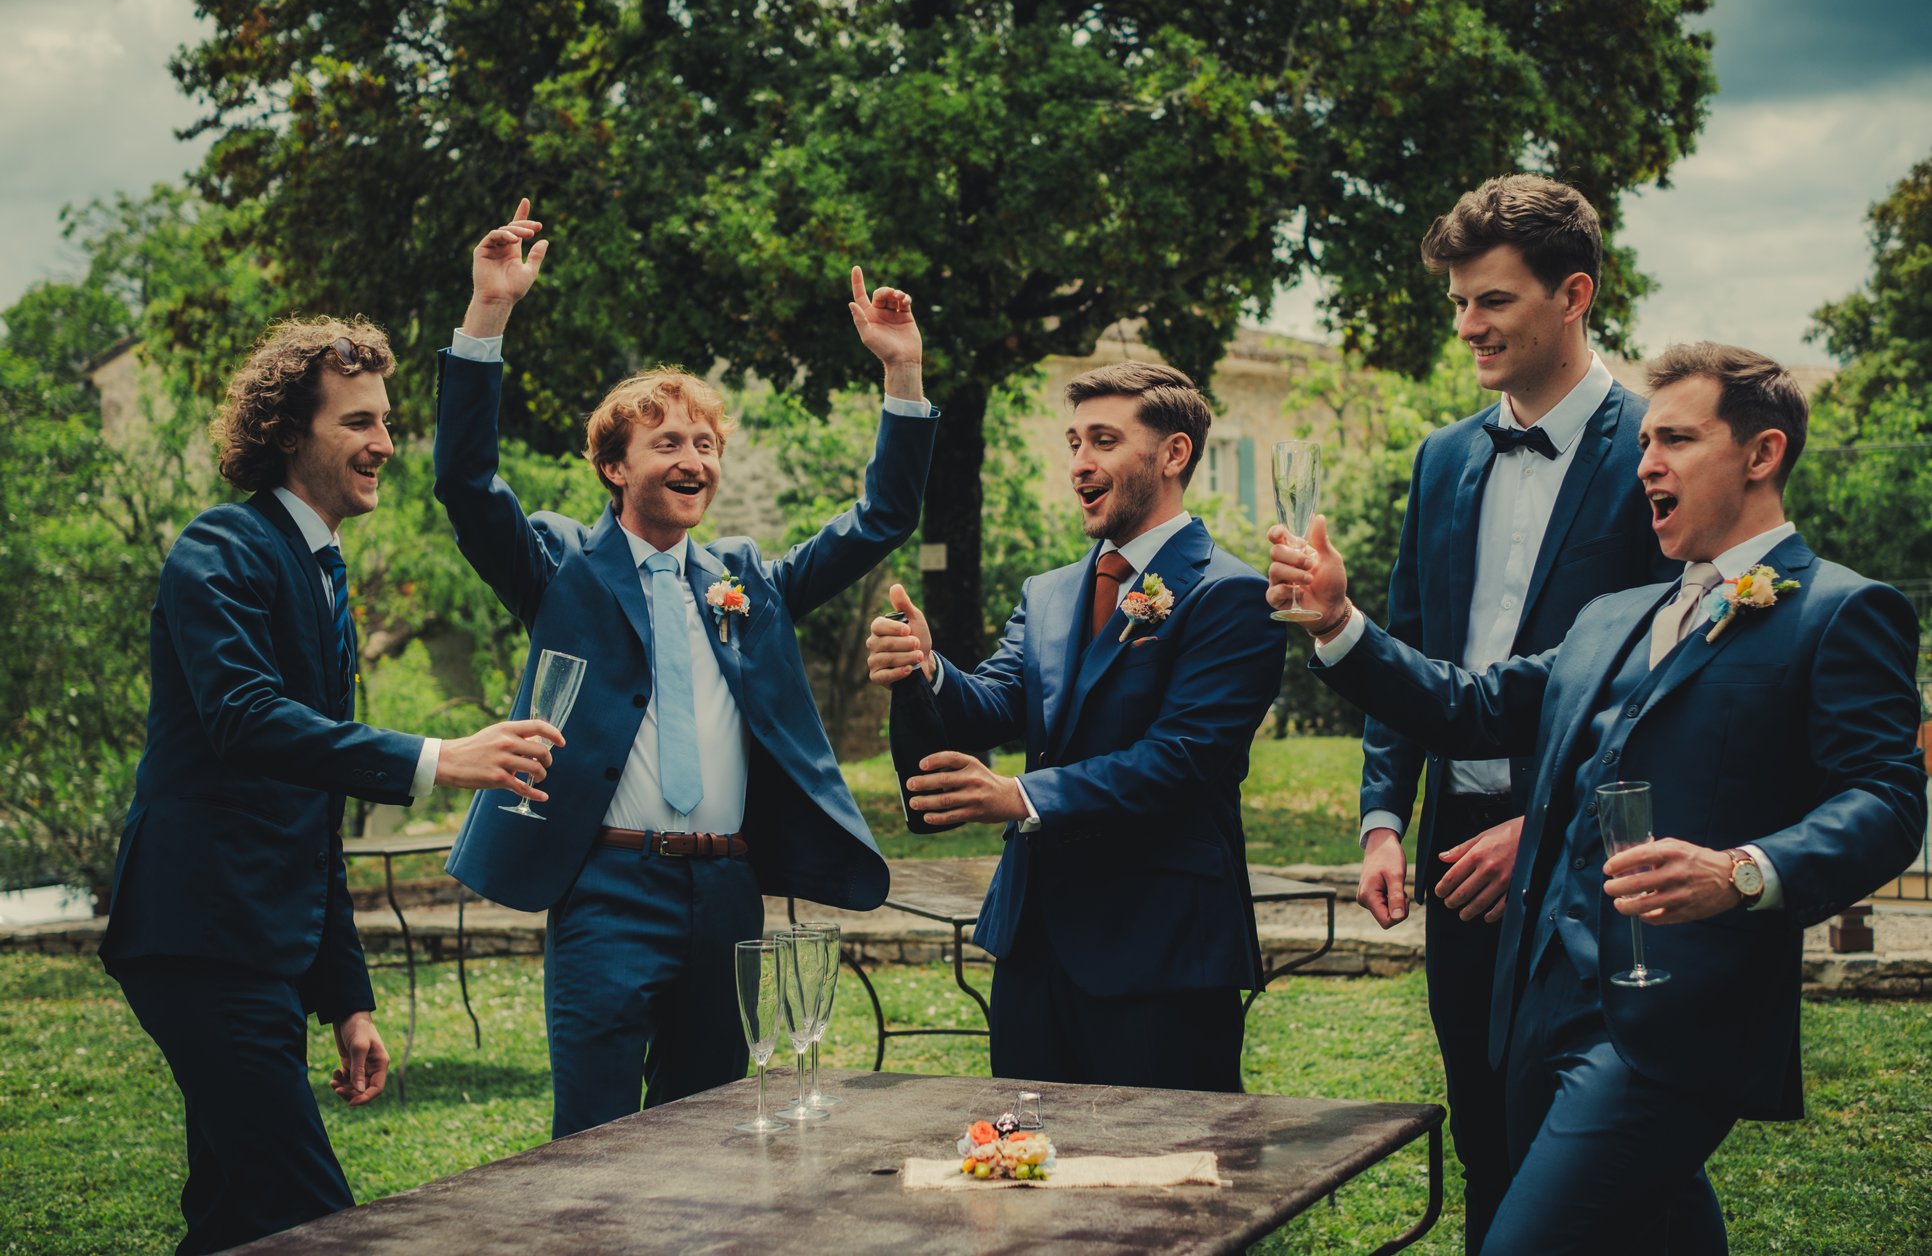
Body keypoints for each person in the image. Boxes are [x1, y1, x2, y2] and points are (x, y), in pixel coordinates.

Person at [1269, 342, 1926, 1253]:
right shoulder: (1611, 618)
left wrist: (1744, 871)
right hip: (1538, 1007)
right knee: (1659, 1230)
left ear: (1763, 453)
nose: (1647, 462)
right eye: (1646, 441)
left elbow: (1888, 801)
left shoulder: (1841, 612)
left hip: (1673, 1020)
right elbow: (1469, 708)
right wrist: (1341, 624)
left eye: (1677, 440)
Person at [435, 200, 937, 1136]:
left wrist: (901, 373)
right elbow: (466, 484)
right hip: (606, 890)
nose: (693, 459)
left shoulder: (748, 580)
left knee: (707, 1137)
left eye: (705, 445)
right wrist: (488, 311)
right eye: (668, 443)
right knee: (592, 1141)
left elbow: (881, 520)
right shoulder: (560, 567)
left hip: (728, 894)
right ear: (615, 468)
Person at [99, 319, 563, 1255]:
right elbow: (245, 719)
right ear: (286, 432)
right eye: (358, 422)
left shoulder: (323, 573)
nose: (384, 443)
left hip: (262, 951)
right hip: (198, 941)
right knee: (313, 1218)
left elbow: (312, 816)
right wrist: (438, 758)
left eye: (386, 421)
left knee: (233, 1218)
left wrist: (346, 996)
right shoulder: (220, 547)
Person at [1358, 173, 1674, 1249]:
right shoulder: (1443, 455)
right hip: (1457, 853)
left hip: (1593, 858)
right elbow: (1409, 649)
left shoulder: (1659, 450)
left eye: (1491, 299)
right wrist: (1384, 817)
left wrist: (1546, 827)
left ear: (1574, 293)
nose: (1467, 326)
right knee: (1486, 1130)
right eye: (1459, 301)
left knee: (1599, 1149)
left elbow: (1665, 687)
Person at [866, 360, 1287, 1092]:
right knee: (1031, 1150)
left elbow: (1179, 759)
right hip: (1032, 944)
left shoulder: (1232, 594)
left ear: (1173, 454)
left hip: (1159, 950)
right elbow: (998, 699)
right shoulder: (1051, 591)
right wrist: (930, 668)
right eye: (1073, 443)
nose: (1079, 464)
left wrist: (1019, 796)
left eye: (1103, 440)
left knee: (1162, 1160)